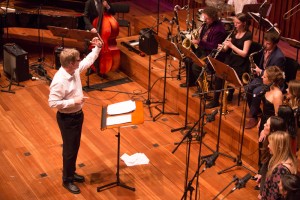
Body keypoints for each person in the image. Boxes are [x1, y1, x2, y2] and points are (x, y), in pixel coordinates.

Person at [48, 37, 103, 194]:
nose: (80, 61)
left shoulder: (74, 70)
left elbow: (88, 61)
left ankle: (71, 172)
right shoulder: (59, 81)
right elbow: (52, 102)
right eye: (78, 59)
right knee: (70, 149)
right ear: (71, 63)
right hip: (67, 119)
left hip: (78, 115)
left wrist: (97, 48)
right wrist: (74, 101)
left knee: (75, 146)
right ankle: (67, 180)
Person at [206, 12, 252, 108]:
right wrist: (222, 47)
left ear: (244, 23)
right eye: (234, 22)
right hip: (231, 59)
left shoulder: (248, 35)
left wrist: (231, 45)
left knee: (224, 76)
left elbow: (244, 54)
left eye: (237, 23)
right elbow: (226, 49)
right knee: (218, 74)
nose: (235, 25)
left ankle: (227, 93)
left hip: (240, 63)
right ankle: (216, 100)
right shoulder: (233, 32)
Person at [245, 30, 285, 129]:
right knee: (248, 88)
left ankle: (253, 117)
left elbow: (275, 75)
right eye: (265, 42)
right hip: (263, 77)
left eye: (268, 43)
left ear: (275, 44)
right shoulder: (265, 50)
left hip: (272, 82)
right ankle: (256, 111)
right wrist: (256, 69)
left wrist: (261, 71)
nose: (265, 45)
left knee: (256, 92)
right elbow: (264, 65)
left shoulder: (279, 57)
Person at [180, 6, 226, 88]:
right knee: (187, 59)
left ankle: (205, 89)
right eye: (204, 17)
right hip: (202, 49)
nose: (204, 20)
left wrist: (199, 42)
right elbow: (203, 38)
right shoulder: (207, 23)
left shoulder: (219, 30)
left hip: (211, 54)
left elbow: (214, 46)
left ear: (213, 18)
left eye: (207, 18)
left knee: (196, 66)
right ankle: (191, 82)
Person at [260, 131, 297, 200]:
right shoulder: (289, 160)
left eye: (270, 144)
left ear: (278, 147)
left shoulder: (280, 169)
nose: (268, 146)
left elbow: (274, 194)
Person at [83, 0, 115, 76]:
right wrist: (91, 27)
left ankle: (101, 68)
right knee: (89, 49)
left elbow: (113, 12)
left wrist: (107, 6)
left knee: (101, 48)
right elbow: (85, 16)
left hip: (103, 28)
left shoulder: (104, 1)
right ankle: (91, 67)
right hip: (92, 28)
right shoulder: (89, 2)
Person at [255, 116, 286, 194]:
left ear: (273, 130)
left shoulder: (277, 149)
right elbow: (266, 162)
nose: (264, 125)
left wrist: (262, 192)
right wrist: (261, 173)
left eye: (267, 125)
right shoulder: (269, 139)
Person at [285, 80, 300, 155]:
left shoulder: (297, 110)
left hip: (293, 136)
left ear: (294, 92)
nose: (286, 90)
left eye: (288, 89)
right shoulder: (291, 102)